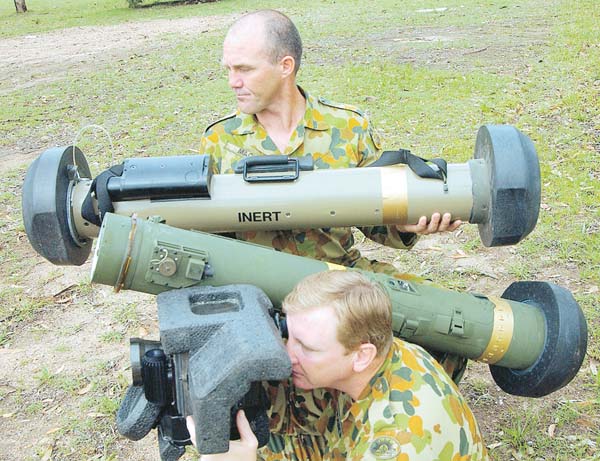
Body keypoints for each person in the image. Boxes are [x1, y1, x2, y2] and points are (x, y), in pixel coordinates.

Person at [199, 9, 461, 274]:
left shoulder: (347, 127)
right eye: (228, 69)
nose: (233, 82)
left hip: (339, 278)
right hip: (257, 282)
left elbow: (377, 220)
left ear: (285, 66)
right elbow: (210, 235)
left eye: (244, 69)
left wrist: (405, 226)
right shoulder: (220, 138)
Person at [187, 270, 488, 460]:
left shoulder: (396, 443)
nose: (287, 354)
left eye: (307, 347)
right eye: (289, 336)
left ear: (361, 356)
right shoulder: (386, 352)